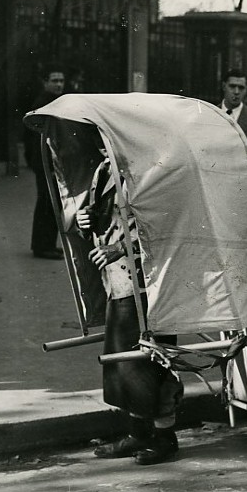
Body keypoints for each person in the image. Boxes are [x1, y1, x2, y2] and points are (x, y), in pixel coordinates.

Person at [74, 130, 184, 466]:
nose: (102, 147)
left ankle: (166, 437)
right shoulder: (103, 171)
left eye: (107, 139)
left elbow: (163, 226)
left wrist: (121, 247)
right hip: (118, 282)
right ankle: (139, 433)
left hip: (148, 283)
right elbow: (96, 216)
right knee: (125, 362)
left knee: (155, 358)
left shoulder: (147, 172)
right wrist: (83, 221)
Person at [24, 68, 65, 259]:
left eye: (61, 81)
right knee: (48, 203)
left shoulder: (53, 102)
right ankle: (42, 247)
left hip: (47, 161)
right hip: (45, 161)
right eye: (54, 80)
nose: (58, 84)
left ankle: (46, 244)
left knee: (50, 202)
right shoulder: (44, 103)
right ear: (45, 82)